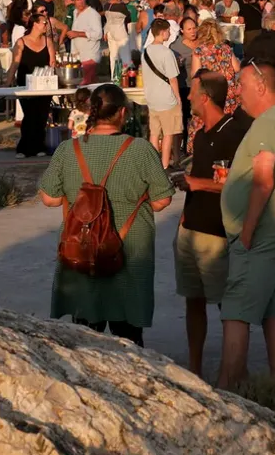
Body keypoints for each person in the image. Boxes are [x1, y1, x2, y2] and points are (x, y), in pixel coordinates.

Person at [38, 84, 174, 346]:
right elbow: (162, 201)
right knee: (130, 337)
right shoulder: (141, 150)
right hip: (129, 253)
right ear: (122, 113)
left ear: (91, 111)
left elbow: (49, 199)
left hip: (83, 251)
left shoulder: (68, 150)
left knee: (86, 337)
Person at [218, 61, 275, 389]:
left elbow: (263, 182)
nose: (237, 93)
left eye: (240, 85)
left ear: (259, 86)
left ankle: (230, 384)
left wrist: (247, 232)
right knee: (272, 305)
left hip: (263, 234)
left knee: (236, 308)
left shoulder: (268, 124)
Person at [175, 71, 251, 376]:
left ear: (205, 97)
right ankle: (195, 368)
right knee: (193, 301)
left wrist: (197, 184)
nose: (189, 97)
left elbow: (238, 183)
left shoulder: (233, 133)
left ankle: (234, 372)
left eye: (192, 93)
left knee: (227, 307)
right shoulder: (202, 134)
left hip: (217, 233)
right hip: (190, 230)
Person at [6, 14, 56, 159]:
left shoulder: (48, 41)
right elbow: (14, 63)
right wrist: (9, 81)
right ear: (35, 24)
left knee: (42, 115)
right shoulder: (21, 42)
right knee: (30, 115)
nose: (46, 25)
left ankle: (39, 146)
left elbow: (52, 62)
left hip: (45, 84)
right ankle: (24, 147)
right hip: (26, 84)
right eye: (44, 23)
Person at [141, 19, 182, 169]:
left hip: (152, 98)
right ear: (163, 32)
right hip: (167, 99)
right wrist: (178, 98)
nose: (170, 33)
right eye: (168, 31)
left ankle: (153, 164)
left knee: (154, 133)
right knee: (168, 134)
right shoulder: (167, 52)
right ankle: (164, 166)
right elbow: (173, 79)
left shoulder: (145, 52)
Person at [65, 0, 104, 85]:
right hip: (78, 56)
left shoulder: (93, 14)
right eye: (77, 0)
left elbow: (98, 34)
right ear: (73, 1)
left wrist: (77, 34)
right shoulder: (74, 12)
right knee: (88, 84)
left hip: (89, 56)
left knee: (85, 85)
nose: (81, 2)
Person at [104, 0, 132, 68]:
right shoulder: (121, 6)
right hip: (120, 32)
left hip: (110, 32)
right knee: (125, 57)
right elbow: (128, 18)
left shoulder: (106, 5)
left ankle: (114, 77)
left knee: (113, 57)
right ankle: (125, 77)